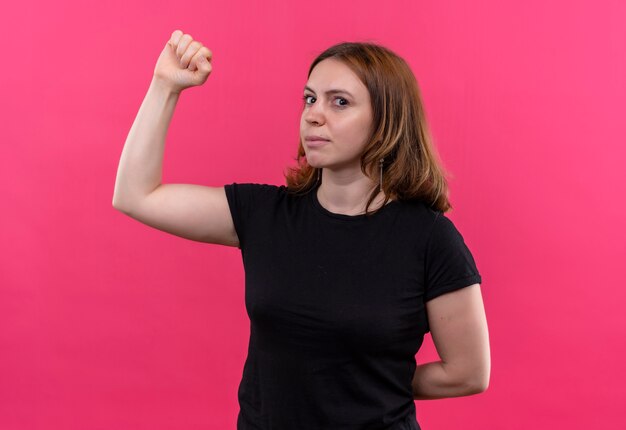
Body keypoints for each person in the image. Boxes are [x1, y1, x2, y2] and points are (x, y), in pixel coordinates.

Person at [113, 29, 490, 430]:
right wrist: (165, 86)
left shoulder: (430, 238)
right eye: (310, 98)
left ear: (386, 120)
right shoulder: (264, 214)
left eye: (339, 102)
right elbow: (136, 195)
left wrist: (371, 378)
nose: (313, 113)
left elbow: (468, 373)